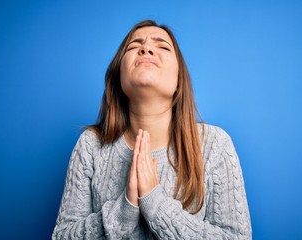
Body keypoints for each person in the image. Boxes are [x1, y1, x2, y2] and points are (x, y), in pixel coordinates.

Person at [52, 20, 252, 239]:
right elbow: (62, 236)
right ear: (119, 77)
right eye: (134, 46)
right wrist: (123, 210)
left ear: (179, 81)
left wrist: (155, 204)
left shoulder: (215, 144)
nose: (146, 49)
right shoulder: (91, 145)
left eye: (163, 47)